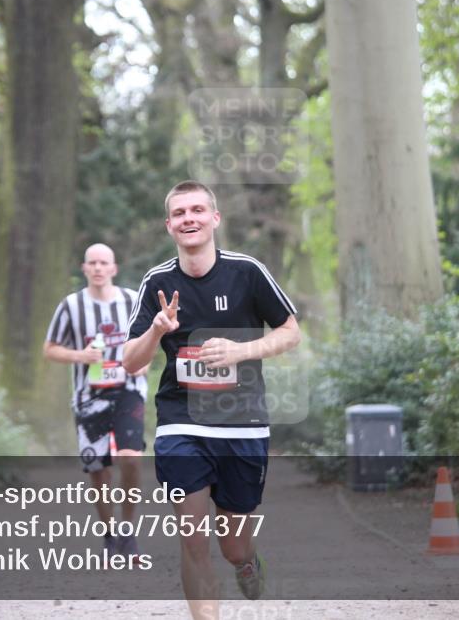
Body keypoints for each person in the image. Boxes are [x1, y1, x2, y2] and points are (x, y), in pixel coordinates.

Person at [122, 181, 300, 618]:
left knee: (233, 544)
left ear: (214, 218)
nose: (190, 219)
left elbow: (290, 332)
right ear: (169, 225)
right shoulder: (157, 282)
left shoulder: (247, 272)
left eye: (198, 210)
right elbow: (129, 362)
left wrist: (241, 351)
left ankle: (246, 562)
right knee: (193, 536)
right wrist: (157, 330)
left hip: (242, 422)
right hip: (182, 422)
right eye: (180, 213)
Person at [43, 243, 149, 559]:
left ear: (114, 268)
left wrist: (145, 361)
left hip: (129, 389)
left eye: (104, 263)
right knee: (98, 470)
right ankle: (109, 534)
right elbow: (49, 349)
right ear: (84, 268)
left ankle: (128, 531)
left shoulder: (132, 300)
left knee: (131, 456)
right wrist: (80, 355)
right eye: (93, 263)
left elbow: (151, 339)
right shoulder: (71, 306)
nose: (99, 268)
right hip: (88, 395)